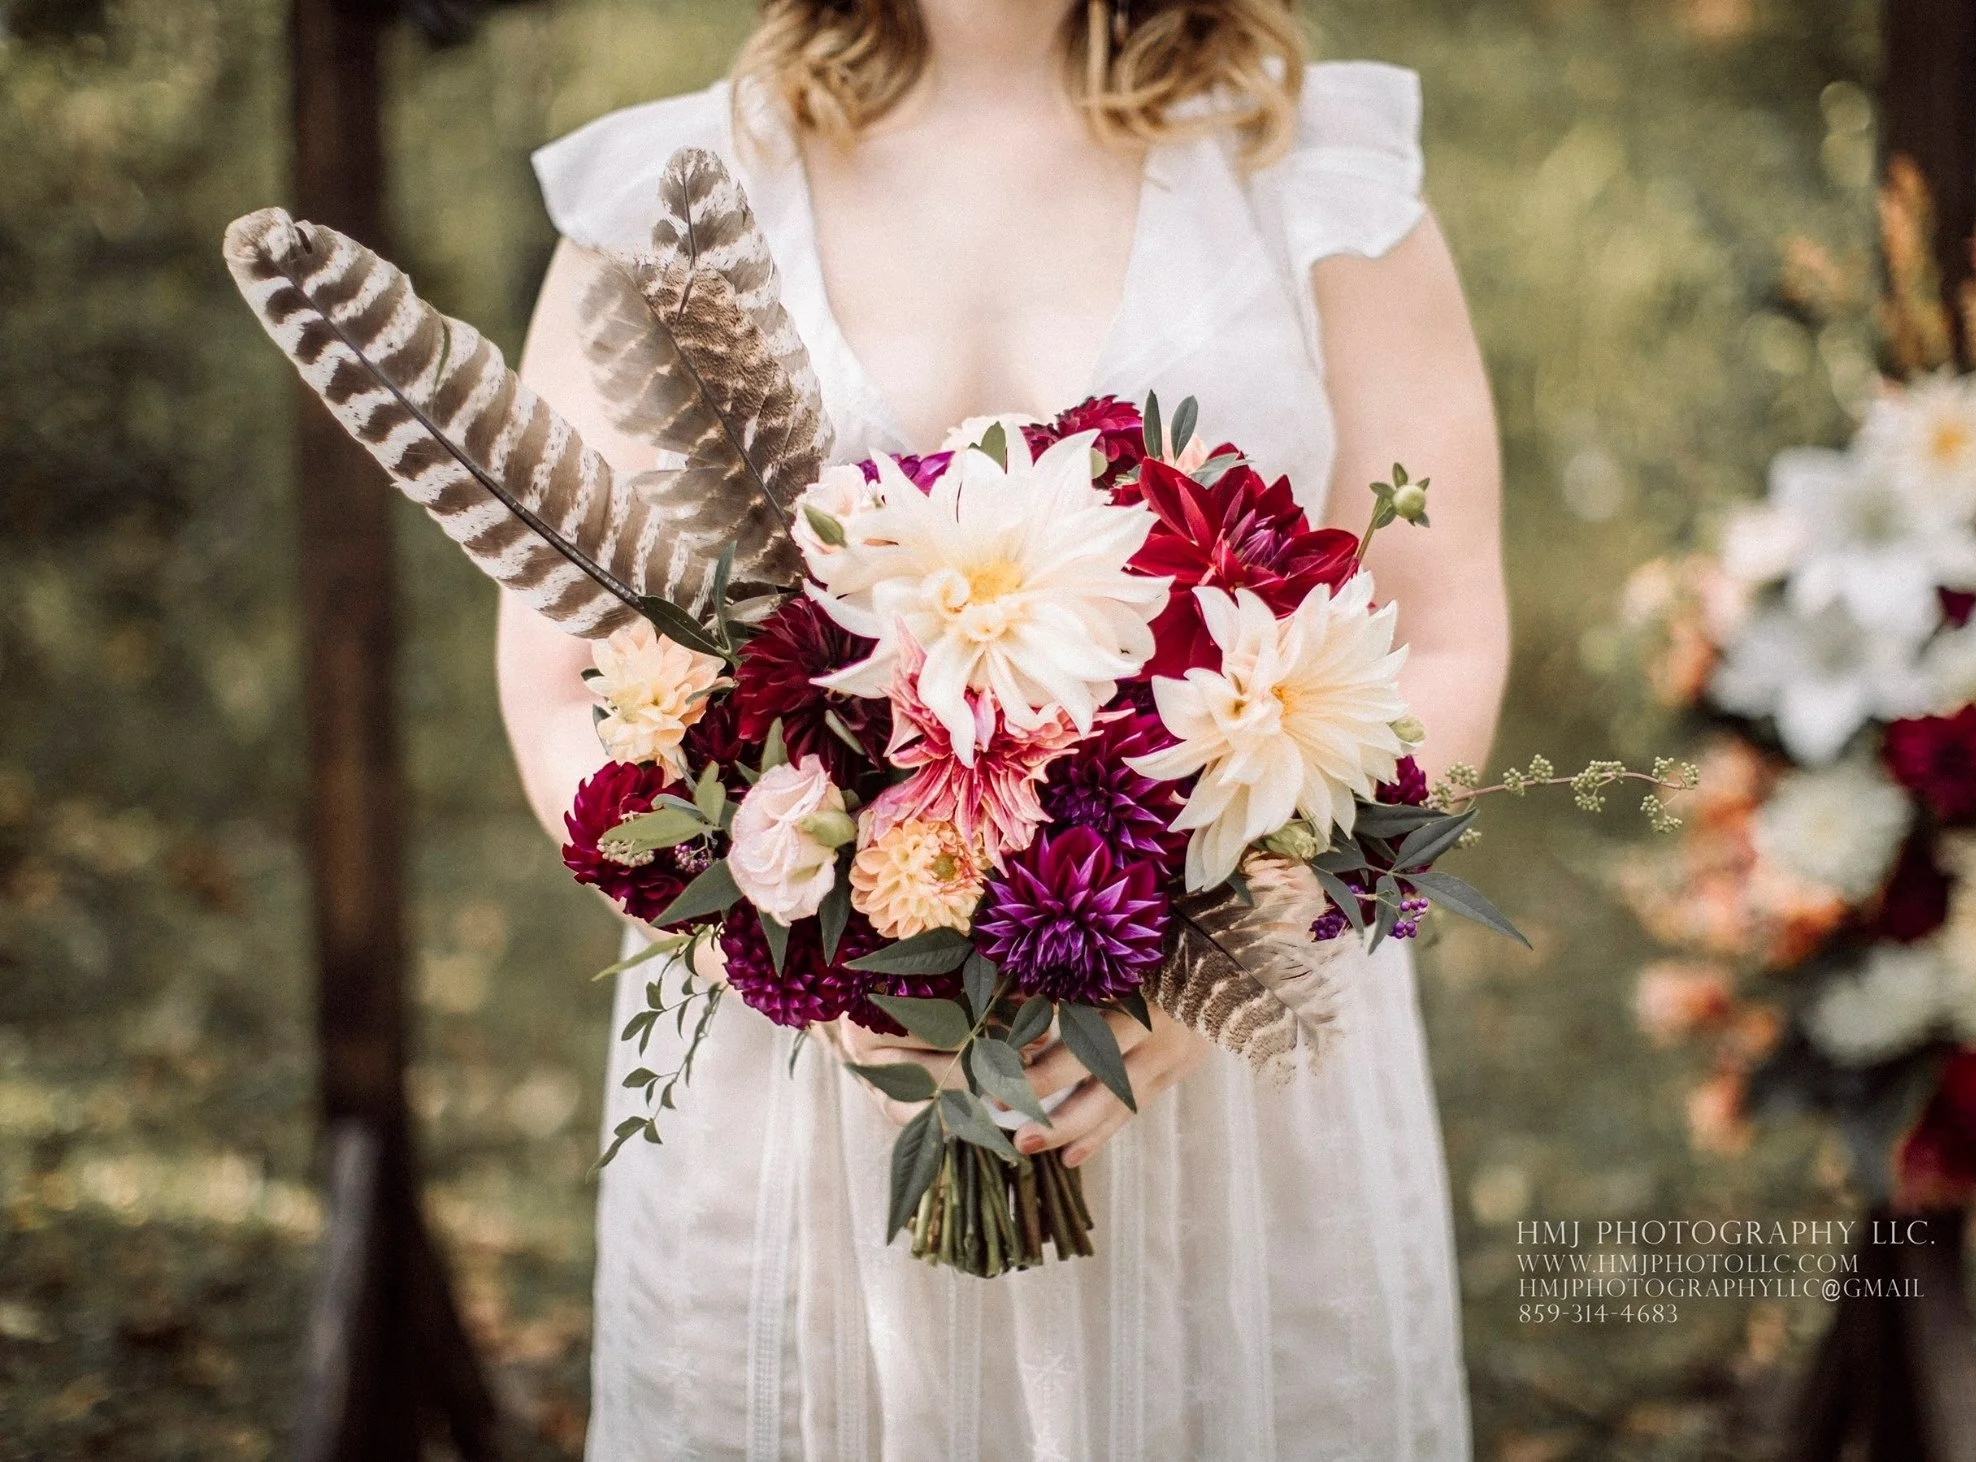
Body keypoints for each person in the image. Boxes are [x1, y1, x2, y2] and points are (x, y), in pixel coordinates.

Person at [499, 0, 1506, 1454]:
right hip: (807, 1100)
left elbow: (1448, 625)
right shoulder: (664, 201)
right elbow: (559, 685)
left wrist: (1250, 944)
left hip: (1226, 1092)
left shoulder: (1316, 176)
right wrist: (796, 937)